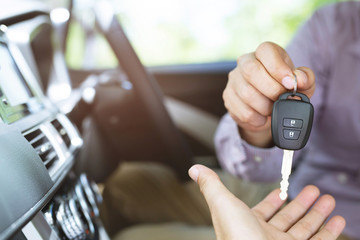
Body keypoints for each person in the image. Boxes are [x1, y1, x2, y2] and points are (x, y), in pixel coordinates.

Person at [215, 1, 360, 239]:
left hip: (343, 225)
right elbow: (257, 168)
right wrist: (257, 125)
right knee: (136, 182)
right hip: (288, 183)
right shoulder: (333, 24)